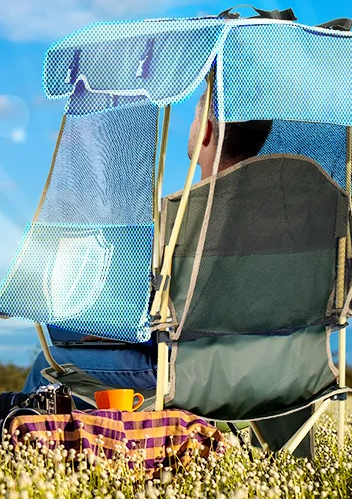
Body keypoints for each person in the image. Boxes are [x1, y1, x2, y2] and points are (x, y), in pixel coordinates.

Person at [17, 83, 316, 456]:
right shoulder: (308, 211)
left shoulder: (188, 217)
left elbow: (170, 319)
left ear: (206, 130)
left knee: (49, 365)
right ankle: (296, 461)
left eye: (193, 117)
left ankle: (52, 465)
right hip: (297, 368)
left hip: (191, 372)